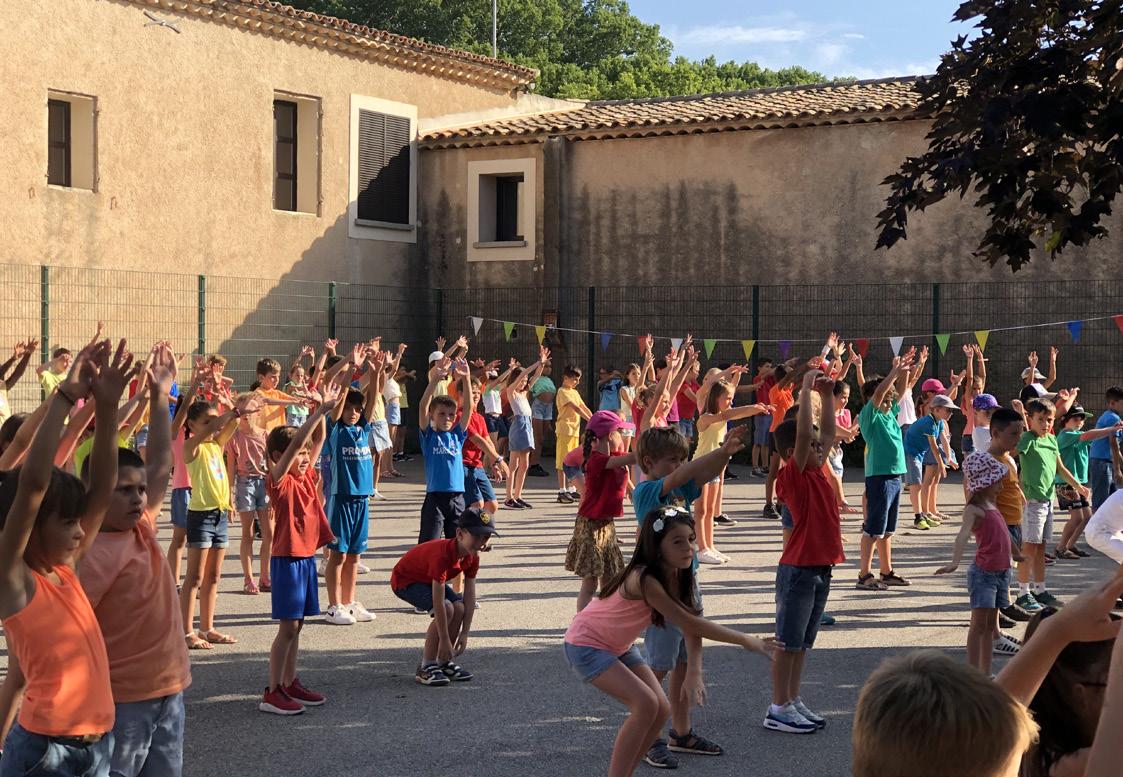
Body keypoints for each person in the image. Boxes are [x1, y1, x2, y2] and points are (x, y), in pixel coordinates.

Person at [0, 338, 135, 776]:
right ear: (33, 528)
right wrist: (64, 396)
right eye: (67, 522)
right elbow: (33, 485)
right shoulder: (15, 580)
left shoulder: (66, 570)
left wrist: (108, 408)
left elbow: (102, 489)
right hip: (45, 753)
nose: (81, 531)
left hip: (96, 746)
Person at [563, 506, 777, 777]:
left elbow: (692, 623)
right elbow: (690, 623)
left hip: (617, 646)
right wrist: (746, 640)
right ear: (657, 547)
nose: (689, 548)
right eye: (677, 542)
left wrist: (694, 671)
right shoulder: (645, 579)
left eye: (691, 539)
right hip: (586, 644)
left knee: (661, 709)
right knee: (645, 704)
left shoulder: (679, 574)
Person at [76, 345, 193, 775]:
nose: (138, 498)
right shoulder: (89, 553)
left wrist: (161, 396)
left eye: (139, 490)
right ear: (94, 494)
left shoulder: (140, 526)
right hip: (121, 701)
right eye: (123, 490)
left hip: (170, 691)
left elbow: (160, 463)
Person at [631, 424, 751, 769]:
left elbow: (703, 474)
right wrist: (717, 451)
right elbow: (686, 473)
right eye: (672, 460)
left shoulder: (679, 486)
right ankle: (649, 736)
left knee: (683, 662)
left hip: (687, 578)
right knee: (658, 665)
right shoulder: (647, 491)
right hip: (662, 586)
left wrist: (725, 455)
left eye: (681, 459)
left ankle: (680, 733)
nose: (679, 466)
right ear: (649, 462)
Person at [764, 369, 844, 734]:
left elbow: (825, 434)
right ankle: (778, 706)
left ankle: (792, 699)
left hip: (820, 568)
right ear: (791, 453)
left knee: (802, 645)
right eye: (811, 447)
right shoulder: (792, 476)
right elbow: (803, 436)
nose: (819, 449)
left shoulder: (817, 470)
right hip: (798, 570)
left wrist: (826, 396)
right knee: (787, 644)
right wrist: (807, 389)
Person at [259, 383, 341, 715]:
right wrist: (317, 412)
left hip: (306, 558)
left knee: (299, 624)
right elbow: (295, 445)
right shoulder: (278, 481)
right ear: (277, 458)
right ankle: (272, 691)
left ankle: (290, 681)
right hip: (287, 559)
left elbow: (317, 439)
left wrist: (320, 410)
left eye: (307, 454)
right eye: (299, 454)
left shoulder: (305, 476)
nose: (305, 457)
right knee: (288, 627)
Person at [180, 388, 261, 649]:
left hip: (219, 515)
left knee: (213, 577)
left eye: (214, 420)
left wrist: (238, 407)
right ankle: (186, 632)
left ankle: (207, 628)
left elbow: (232, 424)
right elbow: (219, 425)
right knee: (194, 578)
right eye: (206, 421)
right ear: (192, 425)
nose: (213, 425)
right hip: (200, 516)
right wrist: (228, 413)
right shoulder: (191, 447)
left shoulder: (216, 445)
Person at [390, 507, 498, 686]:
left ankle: (443, 662)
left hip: (426, 578)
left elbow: (469, 596)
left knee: (459, 607)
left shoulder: (472, 556)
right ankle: (427, 665)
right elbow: (439, 602)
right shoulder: (442, 556)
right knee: (448, 608)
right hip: (405, 581)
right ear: (460, 534)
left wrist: (465, 633)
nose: (481, 542)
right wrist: (445, 640)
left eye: (486, 537)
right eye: (477, 536)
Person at [935, 452, 1017, 675]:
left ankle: (986, 673)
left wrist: (1017, 554)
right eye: (997, 481)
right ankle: (973, 674)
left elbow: (1005, 534)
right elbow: (962, 535)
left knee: (990, 627)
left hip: (1002, 573)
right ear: (984, 483)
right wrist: (955, 562)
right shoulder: (974, 509)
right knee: (979, 625)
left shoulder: (992, 505)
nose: (1001, 486)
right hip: (984, 575)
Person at [322, 345, 382, 626]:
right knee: (338, 554)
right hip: (341, 498)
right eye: (349, 408)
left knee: (355, 556)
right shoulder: (336, 430)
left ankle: (349, 602)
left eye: (357, 409)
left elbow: (373, 399)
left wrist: (377, 372)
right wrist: (352, 370)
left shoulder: (362, 429)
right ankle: (333, 606)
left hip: (361, 499)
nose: (354, 412)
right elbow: (340, 403)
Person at [1015, 398, 1090, 610]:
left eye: (1049, 420)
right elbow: (1009, 457)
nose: (1046, 424)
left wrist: (1078, 486)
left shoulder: (1051, 440)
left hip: (1047, 500)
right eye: (1040, 419)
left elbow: (1060, 468)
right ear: (1030, 419)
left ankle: (1040, 590)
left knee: (1041, 548)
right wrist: (1016, 488)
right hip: (1032, 501)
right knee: (1029, 547)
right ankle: (1022, 593)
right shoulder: (1027, 439)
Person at [693, 370, 767, 563]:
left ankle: (710, 546)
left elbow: (732, 413)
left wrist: (757, 409)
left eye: (731, 398)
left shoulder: (722, 416)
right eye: (727, 398)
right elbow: (730, 414)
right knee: (700, 510)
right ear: (716, 398)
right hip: (700, 466)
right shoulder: (706, 417)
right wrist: (754, 408)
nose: (730, 402)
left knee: (710, 510)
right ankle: (701, 549)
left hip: (715, 467)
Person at [856, 349, 915, 591]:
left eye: (891, 401)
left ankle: (886, 571)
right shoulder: (869, 416)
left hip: (894, 477)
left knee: (887, 531)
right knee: (873, 530)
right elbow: (880, 393)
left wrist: (905, 371)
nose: (890, 404)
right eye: (885, 401)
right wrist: (894, 372)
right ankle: (864, 575)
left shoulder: (889, 414)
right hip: (878, 477)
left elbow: (899, 392)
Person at [565, 411, 636, 611]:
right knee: (590, 583)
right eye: (620, 432)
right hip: (590, 526)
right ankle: (582, 622)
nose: (623, 437)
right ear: (608, 436)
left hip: (606, 524)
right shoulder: (596, 459)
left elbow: (627, 460)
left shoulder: (613, 456)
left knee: (610, 579)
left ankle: (604, 619)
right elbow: (632, 458)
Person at [1055, 405, 1123, 559]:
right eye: (1076, 418)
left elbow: (1093, 436)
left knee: (1087, 518)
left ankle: (1070, 545)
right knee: (1077, 518)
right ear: (1064, 419)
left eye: (1082, 418)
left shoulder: (1077, 435)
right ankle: (1060, 548)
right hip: (1065, 483)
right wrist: (1111, 429)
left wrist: (1111, 430)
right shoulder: (1066, 435)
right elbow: (1089, 435)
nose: (1080, 421)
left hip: (1078, 483)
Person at [226, 402, 272, 595]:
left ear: (258, 412)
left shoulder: (266, 435)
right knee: (248, 534)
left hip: (265, 483)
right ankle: (248, 579)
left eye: (250, 410)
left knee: (269, 533)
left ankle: (265, 576)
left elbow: (272, 464)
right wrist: (229, 496)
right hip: (245, 484)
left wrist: (274, 492)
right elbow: (231, 468)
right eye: (242, 411)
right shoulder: (234, 437)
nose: (246, 414)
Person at [904, 393, 958, 531]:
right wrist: (941, 463)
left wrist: (949, 458)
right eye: (948, 410)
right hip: (911, 452)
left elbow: (944, 440)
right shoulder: (929, 423)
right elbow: (934, 446)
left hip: (920, 452)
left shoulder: (939, 422)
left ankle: (923, 514)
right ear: (937, 410)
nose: (951, 413)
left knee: (918, 484)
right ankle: (918, 518)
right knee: (916, 484)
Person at [502, 350, 548, 509]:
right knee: (513, 463)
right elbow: (523, 374)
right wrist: (537, 362)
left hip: (527, 426)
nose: (524, 382)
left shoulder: (524, 393)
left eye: (525, 381)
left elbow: (536, 376)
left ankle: (518, 495)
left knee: (525, 464)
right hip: (519, 426)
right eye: (521, 380)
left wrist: (542, 364)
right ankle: (508, 497)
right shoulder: (511, 392)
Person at [555, 365, 593, 504]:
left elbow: (583, 407)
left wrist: (594, 418)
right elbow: (576, 408)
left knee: (573, 460)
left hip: (574, 431)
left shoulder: (575, 392)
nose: (577, 382)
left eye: (578, 379)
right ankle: (562, 490)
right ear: (566, 378)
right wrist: (589, 420)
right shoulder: (562, 391)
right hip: (565, 430)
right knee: (562, 460)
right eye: (574, 379)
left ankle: (572, 489)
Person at [1088, 386, 1123, 512]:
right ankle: (1095, 523)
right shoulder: (1112, 418)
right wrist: (1117, 469)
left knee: (1111, 500)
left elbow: (1116, 446)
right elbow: (1113, 443)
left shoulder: (1111, 417)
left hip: (1104, 461)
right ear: (1112, 403)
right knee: (1101, 501)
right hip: (1101, 462)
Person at [528, 360, 556, 477]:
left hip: (548, 408)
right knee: (537, 438)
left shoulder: (549, 380)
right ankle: (533, 464)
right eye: (546, 366)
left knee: (541, 438)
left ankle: (535, 462)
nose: (549, 369)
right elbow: (528, 393)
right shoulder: (535, 378)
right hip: (538, 407)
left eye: (550, 366)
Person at [0, 340, 35, 426]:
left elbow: (18, 373)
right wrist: (13, 359)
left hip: (4, 430)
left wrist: (27, 355)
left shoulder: (2, 388)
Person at [751, 359, 776, 477]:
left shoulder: (770, 380)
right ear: (759, 368)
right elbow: (766, 375)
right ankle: (755, 467)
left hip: (770, 413)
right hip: (761, 414)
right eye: (766, 366)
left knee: (766, 442)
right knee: (758, 442)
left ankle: (765, 466)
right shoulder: (757, 379)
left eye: (770, 366)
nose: (769, 369)